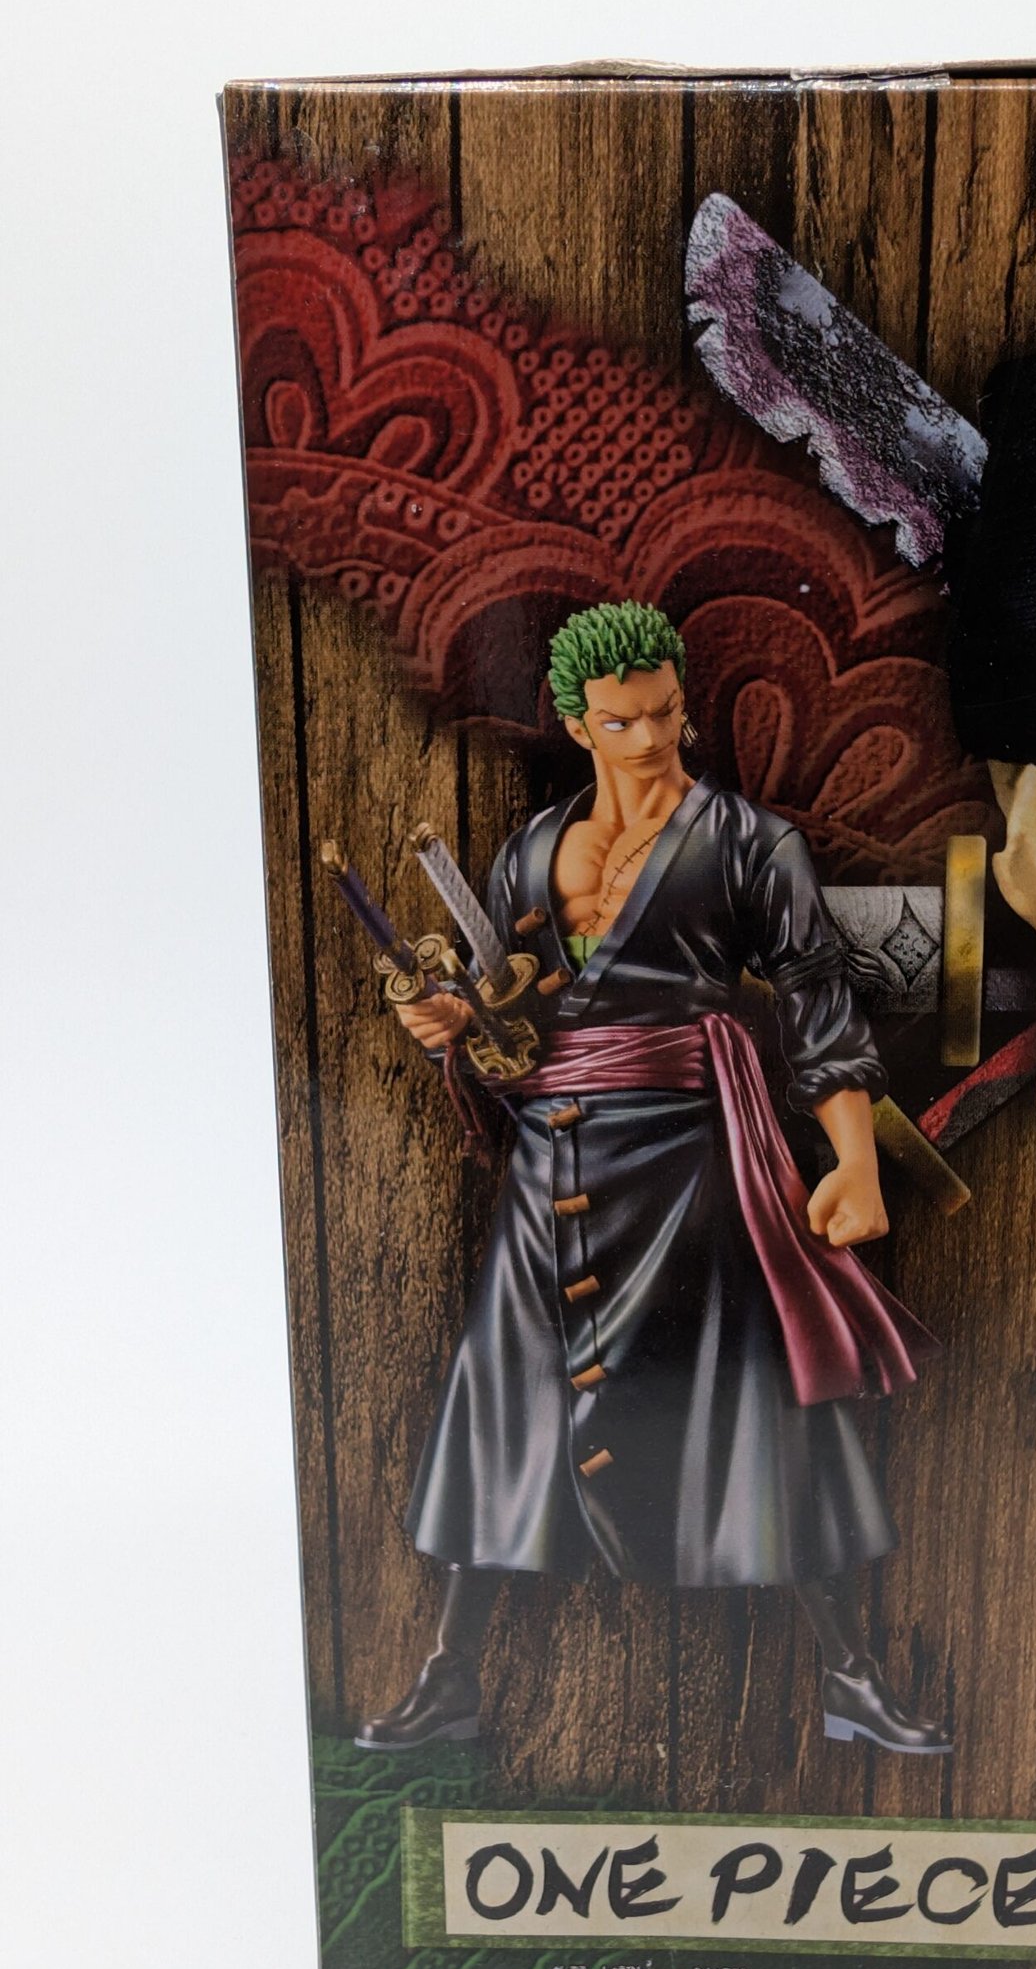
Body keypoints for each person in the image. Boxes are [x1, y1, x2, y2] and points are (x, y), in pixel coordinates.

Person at [355, 600, 951, 1757]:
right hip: (550, 1161)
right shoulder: (530, 851)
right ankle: (449, 1678)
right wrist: (451, 1026)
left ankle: (850, 1677)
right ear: (579, 725)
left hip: (692, 1161)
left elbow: (816, 997)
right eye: (623, 722)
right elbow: (510, 1022)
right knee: (509, 1403)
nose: (652, 741)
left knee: (759, 1408)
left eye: (666, 713)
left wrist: (852, 1160)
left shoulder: (747, 842)